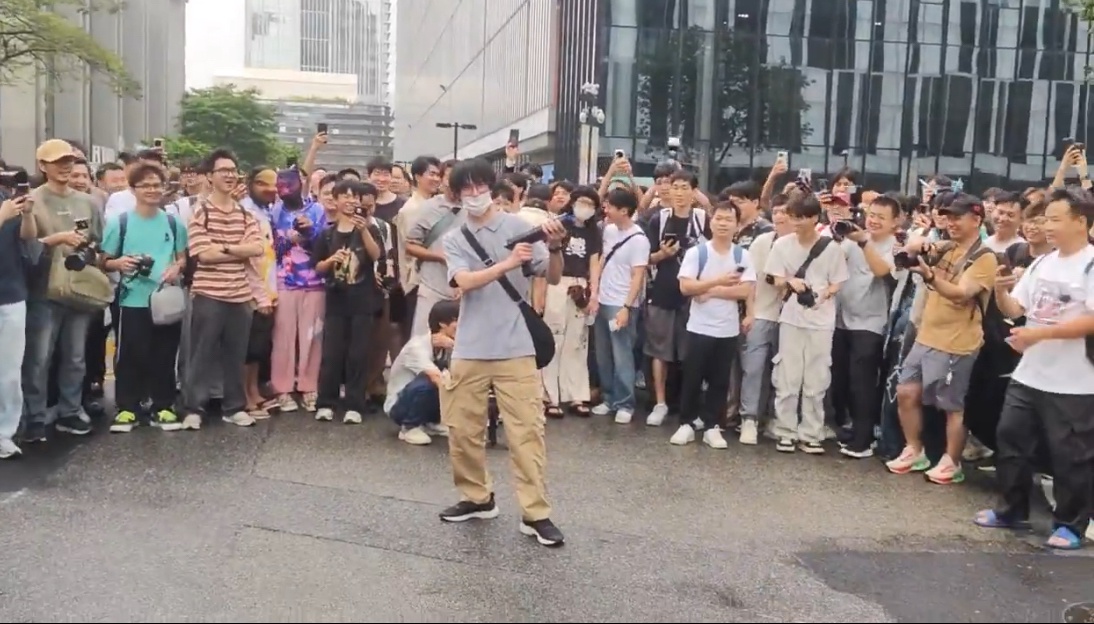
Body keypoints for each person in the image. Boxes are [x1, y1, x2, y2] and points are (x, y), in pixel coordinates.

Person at [437, 158, 568, 548]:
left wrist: (556, 246)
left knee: (527, 432)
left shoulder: (517, 226)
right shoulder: (455, 237)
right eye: (467, 189)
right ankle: (476, 496)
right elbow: (463, 282)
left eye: (481, 187)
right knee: (462, 429)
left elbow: (553, 275)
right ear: (457, 194)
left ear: (492, 189)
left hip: (516, 345)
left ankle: (535, 512)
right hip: (470, 344)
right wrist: (508, 263)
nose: (475, 195)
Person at [978, 188, 1094, 550]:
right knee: (1010, 439)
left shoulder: (1090, 264)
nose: (1047, 226)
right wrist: (1001, 292)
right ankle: (1012, 509)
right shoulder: (1043, 262)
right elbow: (1016, 309)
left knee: (1071, 456)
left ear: (1081, 222)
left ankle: (1071, 524)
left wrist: (1040, 334)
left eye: (1055, 219)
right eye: (1045, 219)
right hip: (1029, 373)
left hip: (1075, 381)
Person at [100, 164, 188, 432]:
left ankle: (163, 406)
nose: (152, 190)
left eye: (156, 185)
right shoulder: (120, 222)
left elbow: (182, 257)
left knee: (165, 353)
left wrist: (176, 267)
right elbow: (104, 259)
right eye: (145, 185)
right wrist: (120, 263)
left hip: (166, 299)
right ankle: (127, 407)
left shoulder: (173, 222)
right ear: (133, 189)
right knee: (130, 353)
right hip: (132, 299)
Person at [385, 299, 459, 445]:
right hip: (398, 405)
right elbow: (436, 378)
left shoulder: (448, 346)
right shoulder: (417, 347)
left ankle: (431, 422)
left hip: (422, 395)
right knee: (431, 381)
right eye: (457, 320)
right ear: (442, 324)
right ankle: (409, 427)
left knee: (450, 377)